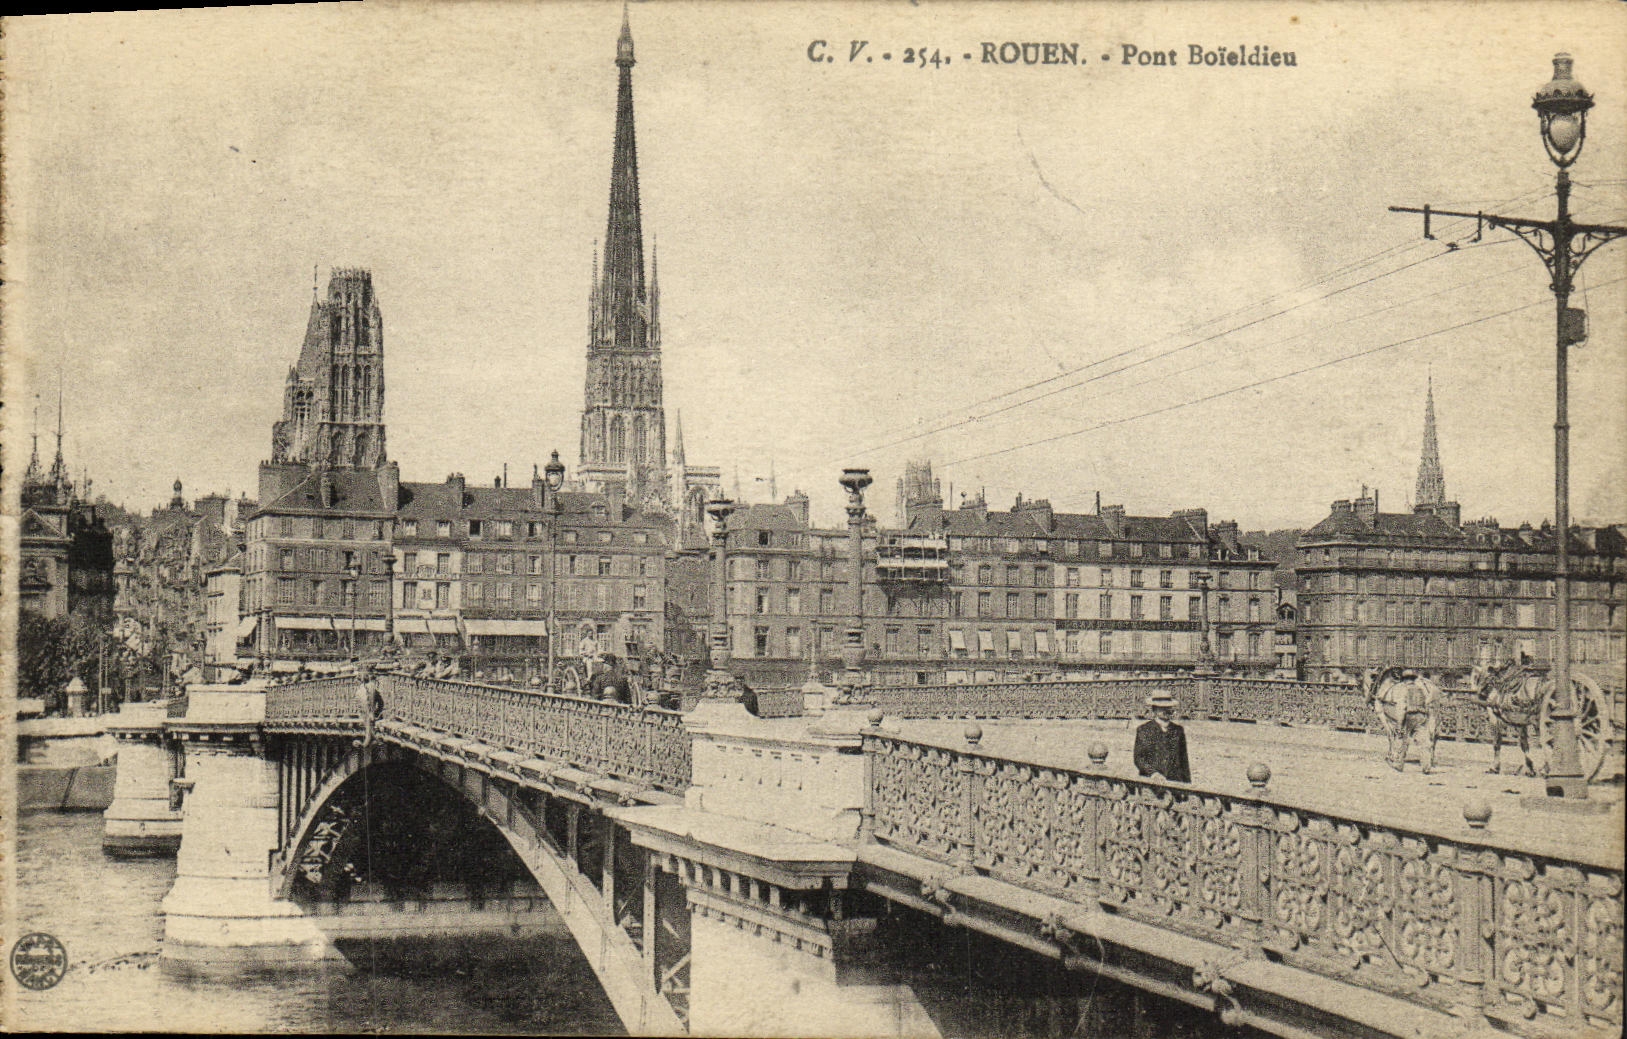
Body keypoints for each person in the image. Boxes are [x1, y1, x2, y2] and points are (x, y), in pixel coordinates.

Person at [1133, 690, 1190, 783]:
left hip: (1175, 783)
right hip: (1151, 783)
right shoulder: (1144, 730)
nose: (1166, 711)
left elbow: (1184, 762)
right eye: (1162, 708)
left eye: (1168, 707)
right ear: (1154, 709)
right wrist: (1153, 774)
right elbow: (1139, 759)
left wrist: (1187, 786)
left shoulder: (1178, 730)